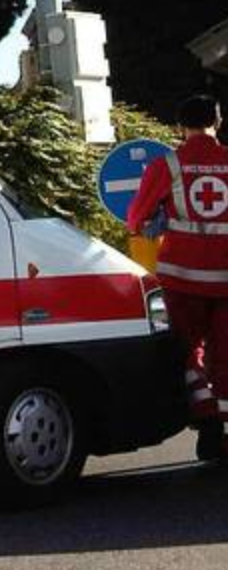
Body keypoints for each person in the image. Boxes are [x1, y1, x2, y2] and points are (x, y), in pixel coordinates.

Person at [127, 95, 228, 462]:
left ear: (179, 126)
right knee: (225, 353)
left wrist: (159, 221)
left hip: (182, 280)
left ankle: (208, 423)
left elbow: (136, 219)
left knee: (188, 352)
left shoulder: (167, 165)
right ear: (218, 122)